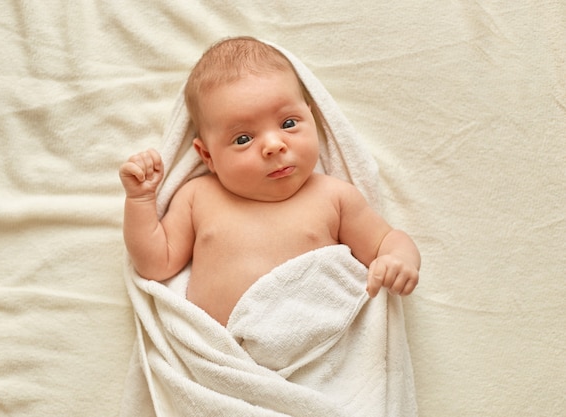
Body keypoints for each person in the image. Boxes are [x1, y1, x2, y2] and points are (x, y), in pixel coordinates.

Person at [119, 36, 420, 326]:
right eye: (243, 138)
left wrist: (399, 259)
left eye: (288, 123)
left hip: (313, 356)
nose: (274, 145)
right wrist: (141, 200)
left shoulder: (334, 197)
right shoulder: (197, 197)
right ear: (207, 155)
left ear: (313, 119)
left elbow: (385, 241)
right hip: (227, 361)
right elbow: (156, 264)